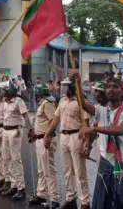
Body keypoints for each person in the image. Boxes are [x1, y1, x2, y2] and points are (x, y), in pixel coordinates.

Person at [79, 76, 123, 209]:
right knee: (103, 202)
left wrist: (94, 128)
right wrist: (77, 82)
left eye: (115, 86)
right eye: (108, 87)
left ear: (122, 91)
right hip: (106, 162)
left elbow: (120, 130)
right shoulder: (101, 110)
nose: (110, 89)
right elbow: (82, 103)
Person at [44, 78, 91, 209]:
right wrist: (48, 134)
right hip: (63, 136)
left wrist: (87, 144)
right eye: (63, 86)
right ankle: (71, 198)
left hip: (77, 136)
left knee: (79, 171)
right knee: (67, 170)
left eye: (66, 86)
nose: (63, 89)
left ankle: (85, 202)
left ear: (73, 87)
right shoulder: (62, 101)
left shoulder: (82, 102)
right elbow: (56, 119)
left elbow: (86, 123)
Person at [0, 80, 34, 200]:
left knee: (16, 159)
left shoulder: (19, 101)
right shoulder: (5, 102)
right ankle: (13, 185)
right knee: (6, 158)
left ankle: (21, 188)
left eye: (5, 91)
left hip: (15, 131)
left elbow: (25, 116)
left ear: (10, 92)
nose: (3, 92)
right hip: (5, 130)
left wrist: (30, 130)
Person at [28, 83, 59, 208]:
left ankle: (54, 198)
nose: (35, 96)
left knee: (49, 170)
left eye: (37, 94)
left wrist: (48, 136)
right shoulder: (43, 103)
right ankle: (41, 194)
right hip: (40, 138)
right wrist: (36, 135)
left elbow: (53, 121)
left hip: (46, 140)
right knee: (41, 169)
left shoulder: (47, 103)